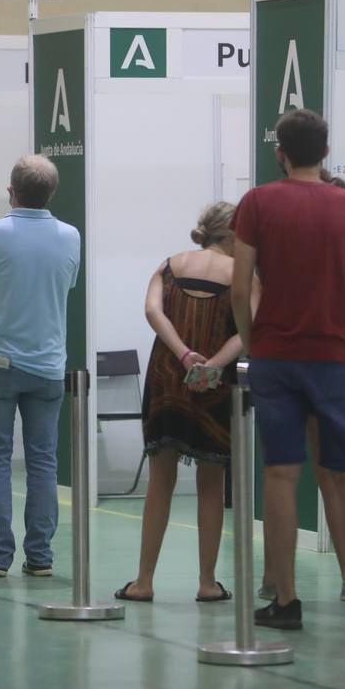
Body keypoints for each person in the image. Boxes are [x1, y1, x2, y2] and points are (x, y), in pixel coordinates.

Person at [231, 109, 345, 632]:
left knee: (281, 475)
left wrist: (255, 341)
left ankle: (285, 600)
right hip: (337, 357)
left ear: (279, 152)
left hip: (276, 356)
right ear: (325, 153)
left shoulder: (258, 203)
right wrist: (335, 288)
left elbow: (240, 288)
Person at [114, 202, 255, 602]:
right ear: (232, 236)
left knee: (160, 481)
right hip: (215, 387)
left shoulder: (170, 265)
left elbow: (152, 311)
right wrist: (212, 365)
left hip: (168, 379)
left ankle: (143, 581)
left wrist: (183, 354)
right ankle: (208, 582)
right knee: (212, 483)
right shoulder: (242, 276)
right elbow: (248, 330)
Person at [0, 155, 79, 577]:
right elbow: (65, 284)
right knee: (43, 460)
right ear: (51, 193)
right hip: (48, 365)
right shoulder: (70, 236)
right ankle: (41, 557)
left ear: (10, 191)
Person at [258, 168, 345, 603]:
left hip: (280, 360)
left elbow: (252, 293)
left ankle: (279, 584)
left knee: (283, 475)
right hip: (329, 362)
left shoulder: (277, 232)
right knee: (334, 477)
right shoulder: (341, 233)